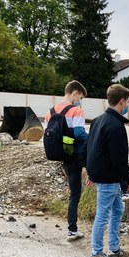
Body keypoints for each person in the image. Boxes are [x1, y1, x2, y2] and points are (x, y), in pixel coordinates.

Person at [86, 84, 129, 257]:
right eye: (128, 101)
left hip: (104, 175)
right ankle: (96, 253)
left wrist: (91, 171)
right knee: (103, 215)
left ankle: (114, 249)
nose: (128, 104)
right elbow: (119, 158)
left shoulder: (98, 120)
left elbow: (89, 148)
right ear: (122, 101)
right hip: (109, 178)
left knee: (117, 211)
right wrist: (128, 179)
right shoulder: (116, 125)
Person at [45, 80, 89, 242]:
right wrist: (94, 138)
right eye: (80, 97)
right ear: (75, 92)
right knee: (77, 192)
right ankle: (73, 230)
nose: (80, 101)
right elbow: (79, 133)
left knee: (73, 192)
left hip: (62, 156)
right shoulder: (76, 111)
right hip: (77, 155)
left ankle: (72, 229)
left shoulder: (49, 112)